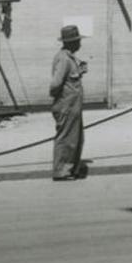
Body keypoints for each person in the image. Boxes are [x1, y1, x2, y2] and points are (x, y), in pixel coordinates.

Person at [50, 25, 88, 181]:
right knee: (66, 138)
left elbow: (69, 80)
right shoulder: (64, 59)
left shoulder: (70, 58)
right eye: (77, 40)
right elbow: (55, 84)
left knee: (75, 139)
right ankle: (61, 171)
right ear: (71, 42)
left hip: (73, 106)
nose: (80, 43)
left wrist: (80, 72)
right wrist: (59, 101)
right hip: (67, 106)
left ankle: (71, 169)